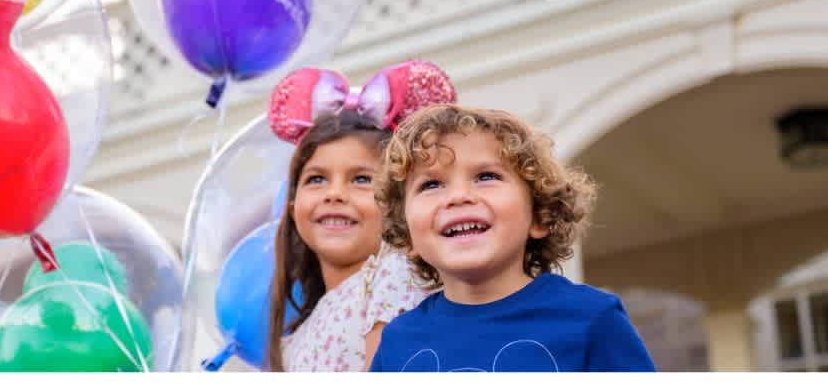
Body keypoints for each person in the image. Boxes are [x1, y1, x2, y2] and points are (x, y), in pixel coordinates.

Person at [370, 104, 655, 372]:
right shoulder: (397, 342)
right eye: (431, 184)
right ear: (407, 235)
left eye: (485, 176)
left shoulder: (592, 318)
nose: (458, 197)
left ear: (540, 216)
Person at [264, 61, 457, 371]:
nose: (334, 193)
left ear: (401, 202)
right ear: (292, 206)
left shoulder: (397, 275)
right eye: (316, 179)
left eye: (361, 179)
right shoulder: (294, 340)